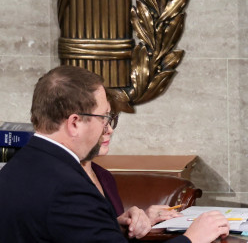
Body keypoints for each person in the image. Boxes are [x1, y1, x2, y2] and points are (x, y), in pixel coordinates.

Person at [0, 64, 230, 243]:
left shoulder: (15, 168)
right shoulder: (70, 190)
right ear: (75, 123)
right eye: (104, 117)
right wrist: (193, 238)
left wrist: (111, 225)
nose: (107, 127)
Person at [81, 89, 181, 238]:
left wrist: (139, 222)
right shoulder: (66, 179)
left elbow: (109, 233)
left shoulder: (104, 176)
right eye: (102, 121)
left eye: (110, 121)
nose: (109, 130)